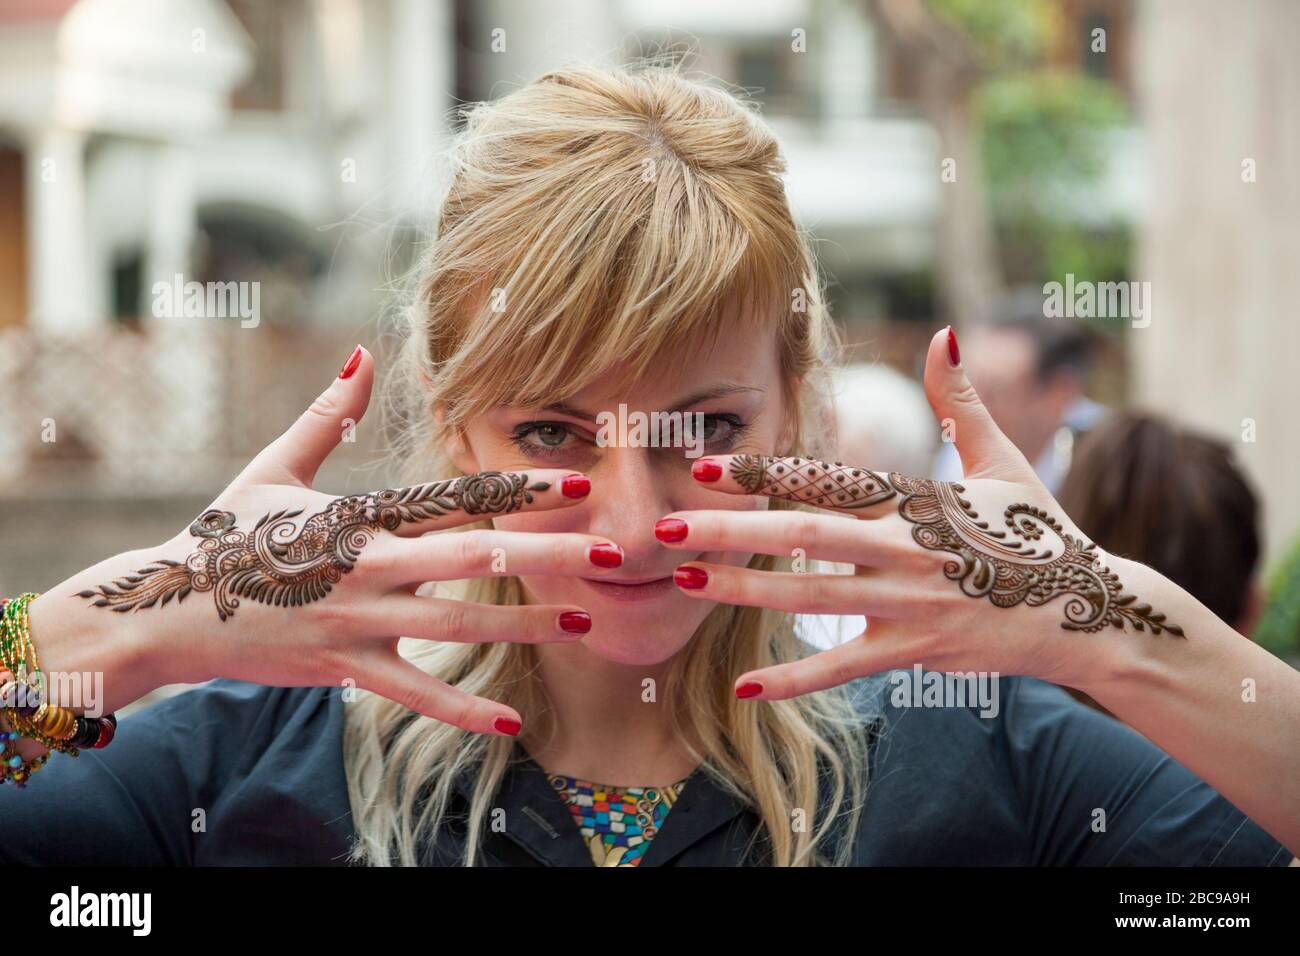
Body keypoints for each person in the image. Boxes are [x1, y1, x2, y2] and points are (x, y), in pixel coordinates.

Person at [0, 64, 1296, 867]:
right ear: (453, 423)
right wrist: (123, 624)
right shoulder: (236, 770)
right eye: (552, 434)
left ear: (796, 412)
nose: (628, 527)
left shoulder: (990, 760)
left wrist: (1109, 627)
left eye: (704, 433)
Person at [932, 297, 1106, 493]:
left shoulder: (1110, 465)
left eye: (993, 392)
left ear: (1060, 392)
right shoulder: (957, 454)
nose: (965, 410)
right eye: (965, 386)